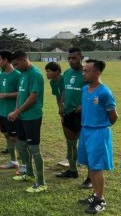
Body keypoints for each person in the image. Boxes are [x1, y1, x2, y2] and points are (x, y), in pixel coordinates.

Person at [77, 59, 117, 214]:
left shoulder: (104, 92)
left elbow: (114, 117)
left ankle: (100, 200)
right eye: (83, 70)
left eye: (86, 70)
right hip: (85, 131)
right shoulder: (85, 89)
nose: (83, 73)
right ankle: (95, 195)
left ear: (97, 72)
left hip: (98, 132)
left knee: (96, 167)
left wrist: (101, 129)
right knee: (90, 165)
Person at [8, 51, 46, 193]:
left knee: (34, 149)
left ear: (24, 59)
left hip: (32, 117)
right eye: (13, 65)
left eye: (16, 64)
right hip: (21, 116)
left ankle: (41, 182)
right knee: (21, 146)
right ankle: (28, 173)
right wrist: (16, 111)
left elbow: (33, 97)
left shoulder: (35, 74)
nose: (15, 67)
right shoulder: (23, 74)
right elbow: (20, 94)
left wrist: (17, 111)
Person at [56, 48, 88, 183]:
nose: (71, 61)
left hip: (83, 114)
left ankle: (90, 177)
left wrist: (83, 105)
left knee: (85, 146)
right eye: (69, 58)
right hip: (68, 113)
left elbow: (94, 91)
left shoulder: (87, 73)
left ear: (81, 57)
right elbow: (64, 90)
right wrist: (61, 105)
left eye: (74, 58)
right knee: (70, 144)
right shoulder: (67, 73)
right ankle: (72, 170)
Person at [0, 50, 21, 169]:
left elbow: (21, 93)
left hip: (12, 111)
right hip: (2, 111)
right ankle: (13, 161)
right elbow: (0, 90)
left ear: (5, 60)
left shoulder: (17, 75)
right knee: (7, 136)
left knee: (15, 138)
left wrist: (4, 95)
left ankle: (24, 163)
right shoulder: (2, 75)